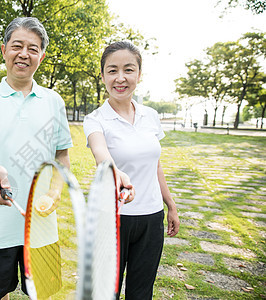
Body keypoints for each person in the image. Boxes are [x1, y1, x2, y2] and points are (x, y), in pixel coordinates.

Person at [0, 17, 73, 300]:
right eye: (17, 46)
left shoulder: (54, 101)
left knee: (42, 292)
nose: (24, 54)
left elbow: (62, 155)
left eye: (33, 48)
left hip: (41, 226)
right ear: (4, 50)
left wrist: (55, 191)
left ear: (42, 55)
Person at [83, 41, 180, 299]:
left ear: (139, 74)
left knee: (141, 292)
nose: (120, 78)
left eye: (129, 69)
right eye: (112, 70)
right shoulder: (95, 119)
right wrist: (116, 173)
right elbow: (100, 154)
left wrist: (170, 204)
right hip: (112, 219)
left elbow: (155, 164)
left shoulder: (151, 115)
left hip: (151, 218)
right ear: (102, 75)